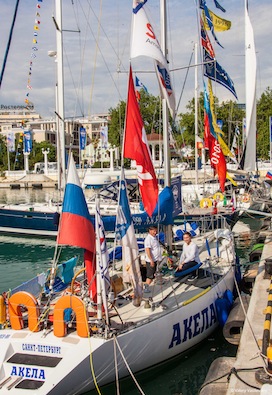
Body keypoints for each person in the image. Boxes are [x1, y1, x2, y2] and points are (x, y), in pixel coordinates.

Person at [144, 226, 162, 292]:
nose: (155, 232)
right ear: (150, 231)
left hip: (156, 259)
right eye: (154, 231)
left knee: (153, 274)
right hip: (151, 260)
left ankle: (152, 283)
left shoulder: (154, 238)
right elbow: (147, 250)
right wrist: (151, 260)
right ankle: (146, 287)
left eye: (156, 231)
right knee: (150, 276)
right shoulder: (148, 239)